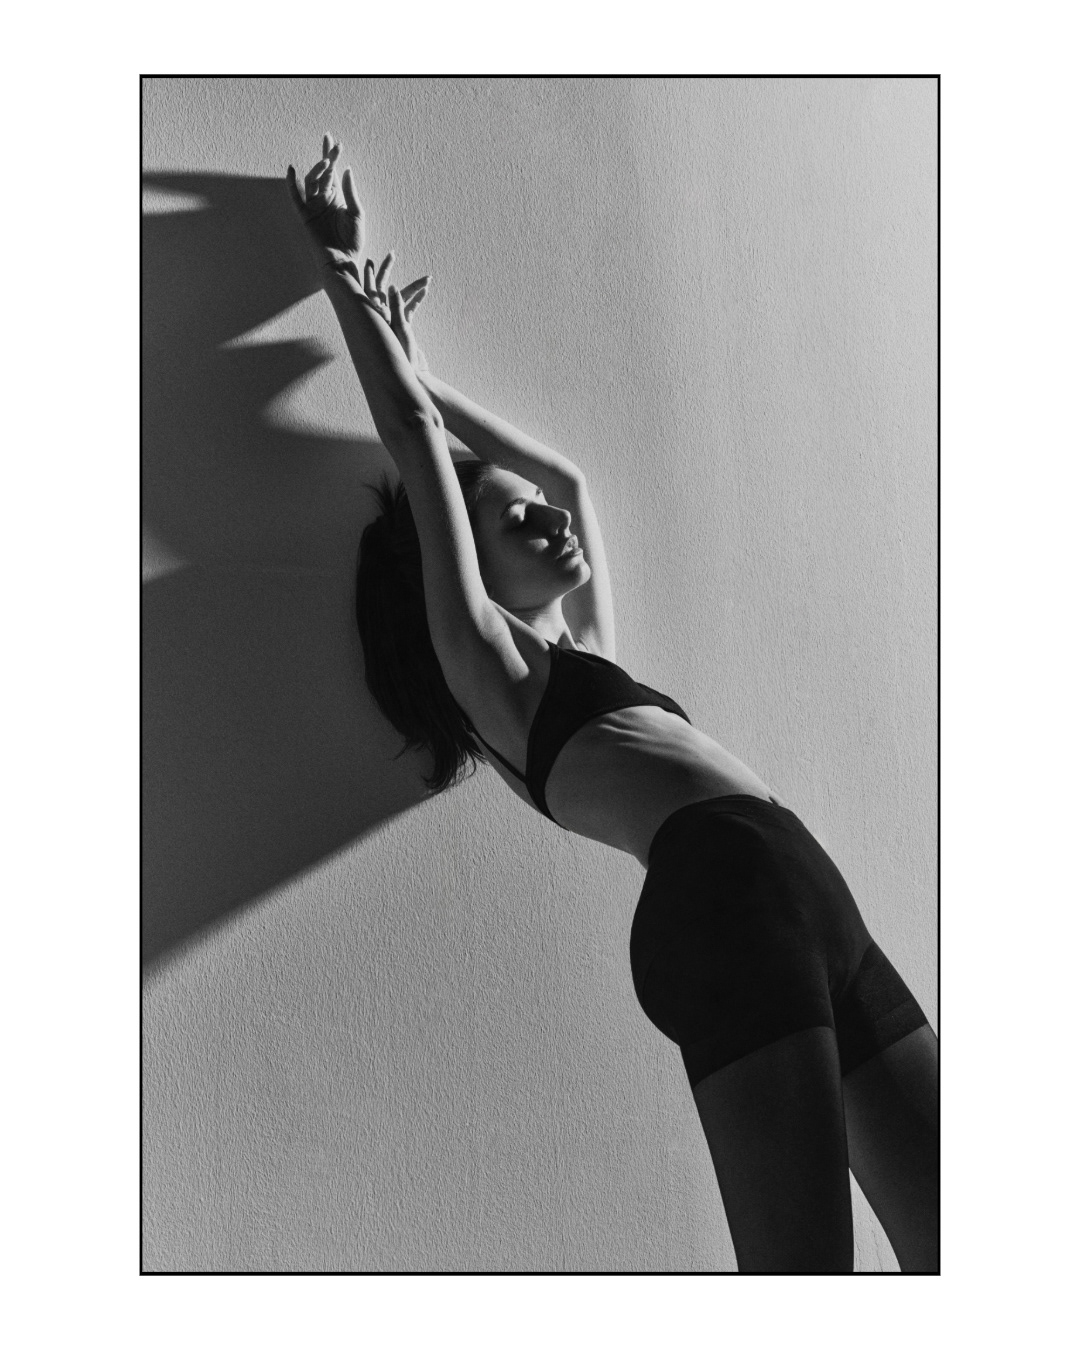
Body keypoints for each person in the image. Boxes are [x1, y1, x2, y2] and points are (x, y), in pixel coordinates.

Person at [286, 137, 939, 1273]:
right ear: (465, 573)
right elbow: (412, 441)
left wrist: (431, 373)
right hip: (726, 900)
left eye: (533, 508)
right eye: (512, 521)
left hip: (817, 899)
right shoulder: (494, 674)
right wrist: (344, 280)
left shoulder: (591, 660)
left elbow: (573, 480)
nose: (550, 518)